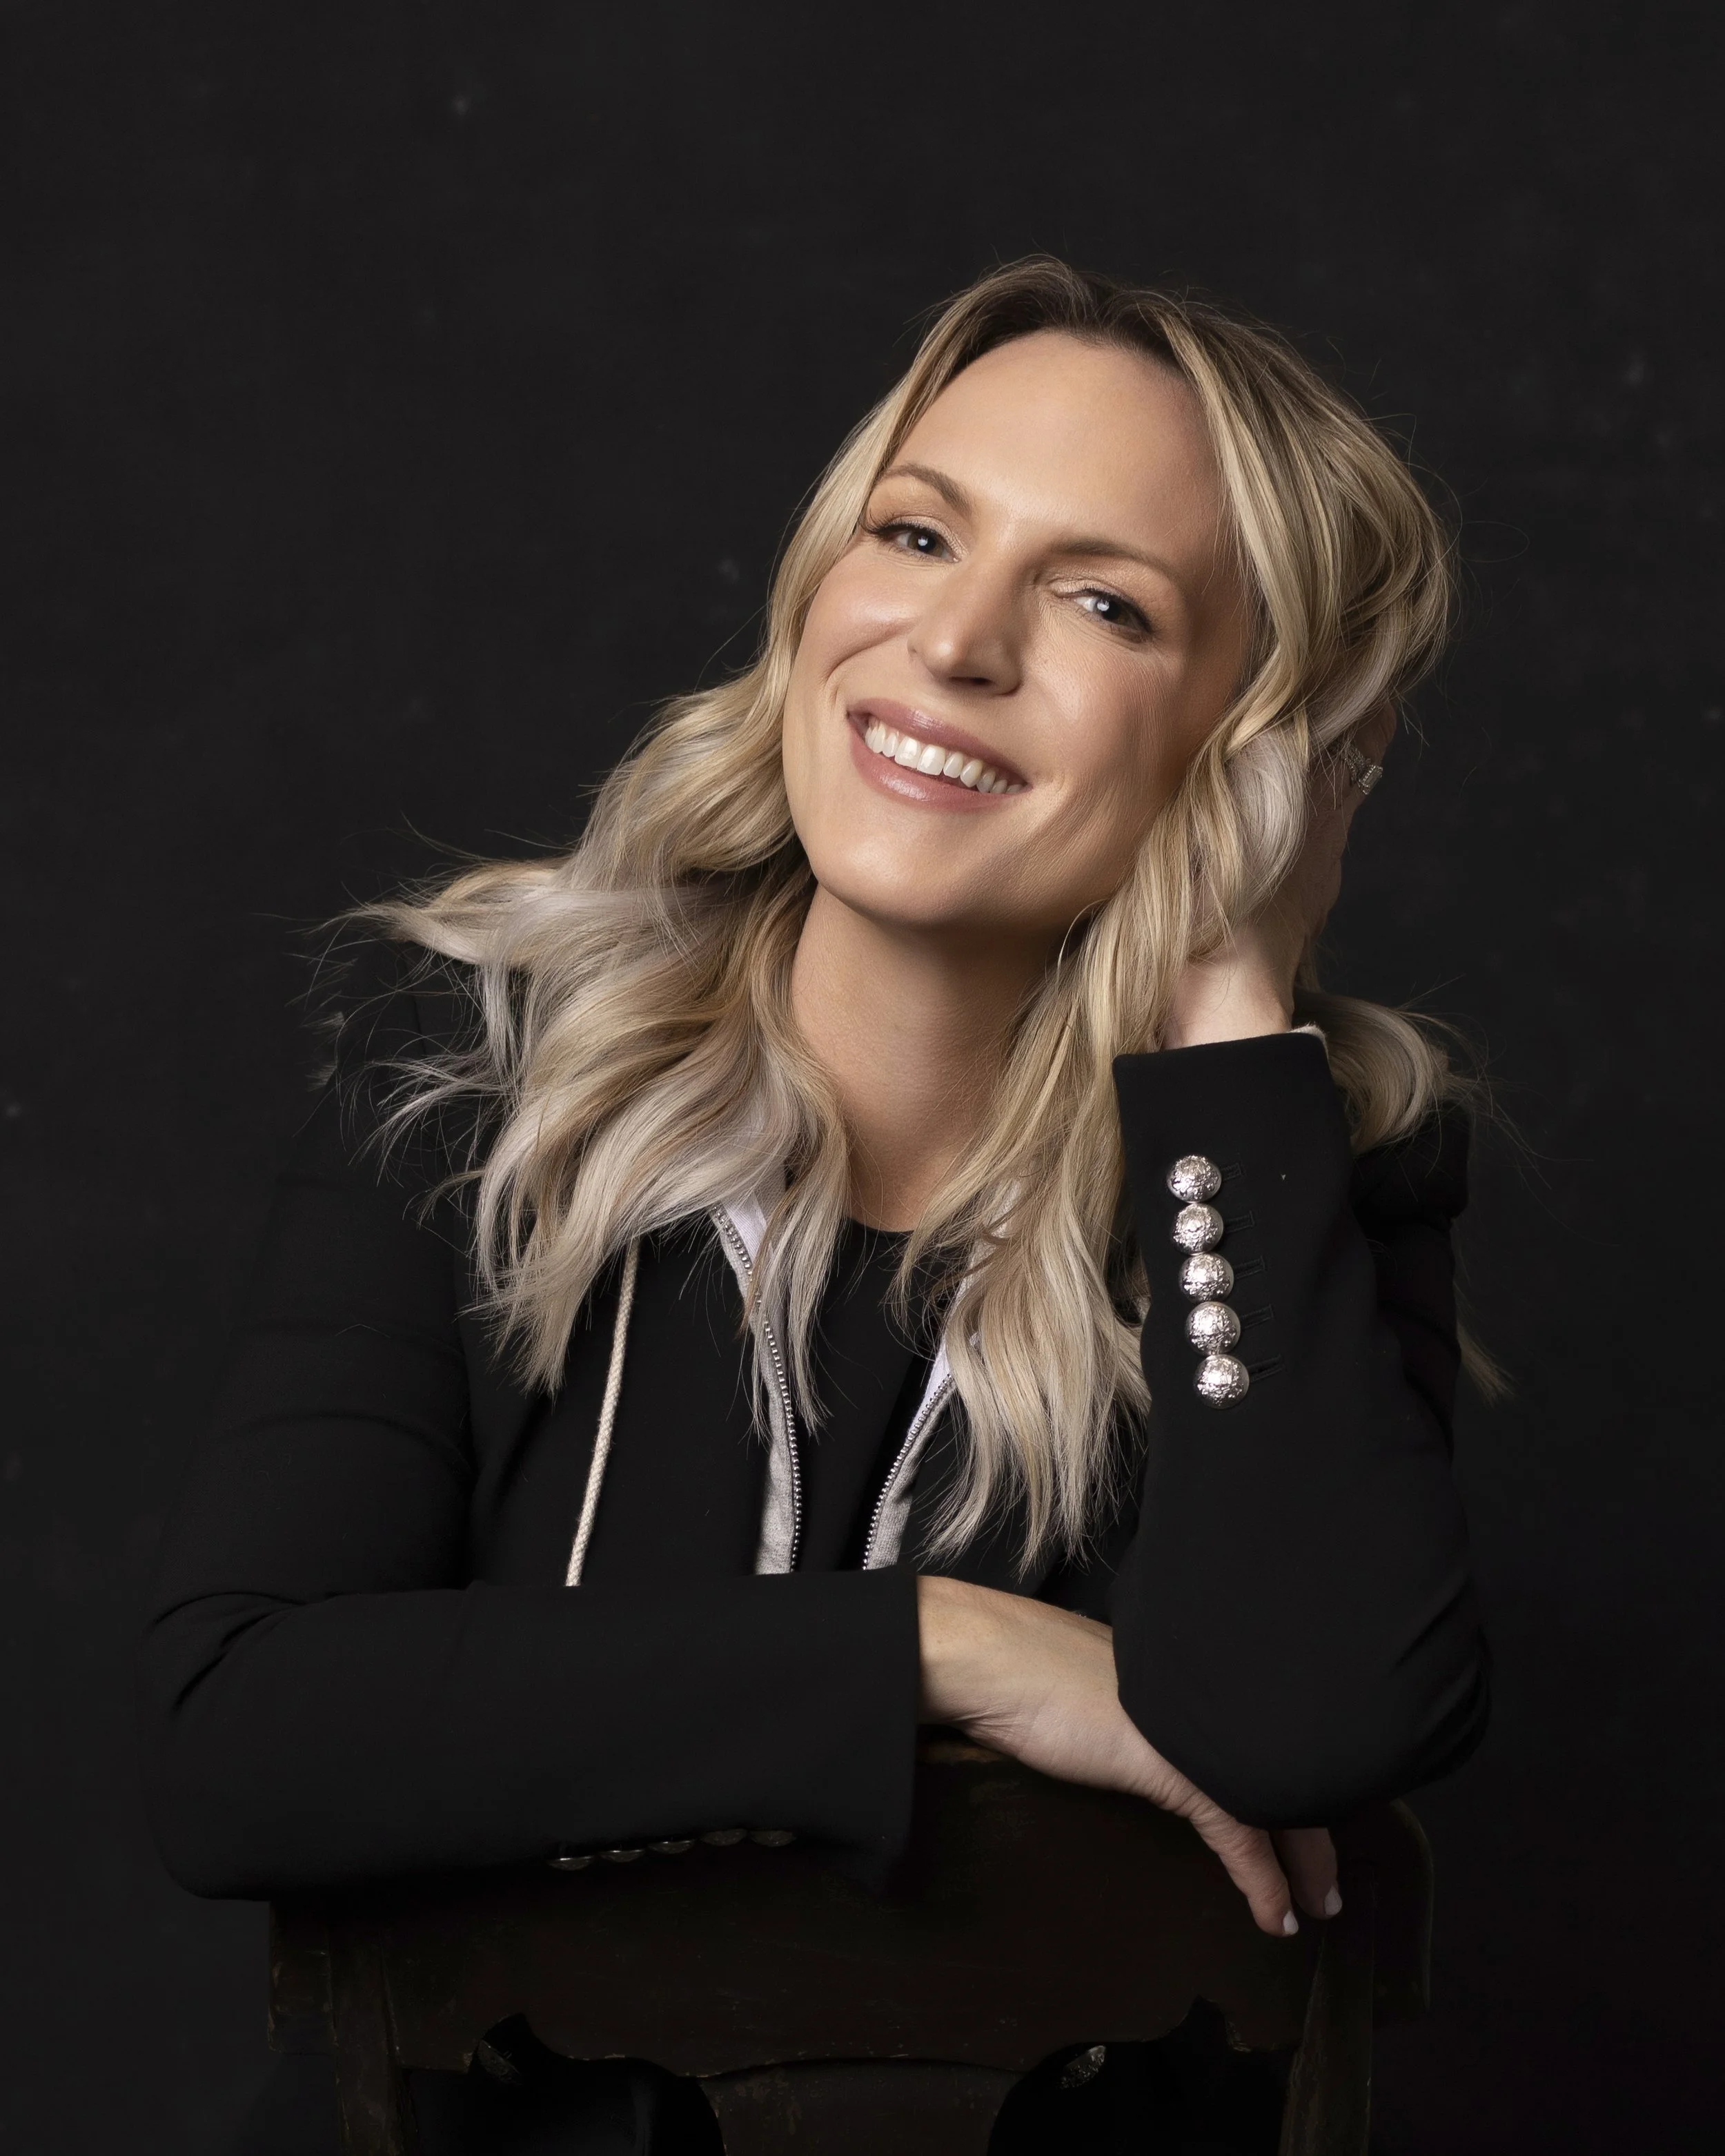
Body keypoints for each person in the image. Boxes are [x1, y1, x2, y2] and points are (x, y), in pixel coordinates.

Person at [141, 256, 1488, 2154]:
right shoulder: (479, 1075)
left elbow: (1310, 1722)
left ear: (1266, 748)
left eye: (1103, 601)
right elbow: (240, 1738)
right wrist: (933, 1650)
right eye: (916, 534)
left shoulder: (1292, 1174)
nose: (954, 642)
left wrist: (1225, 1013)